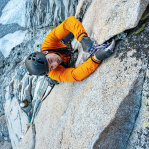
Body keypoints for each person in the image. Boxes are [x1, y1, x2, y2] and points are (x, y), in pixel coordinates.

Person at [25, 16, 115, 82]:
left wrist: (83, 39)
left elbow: (68, 22)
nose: (56, 64)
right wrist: (96, 58)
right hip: (66, 58)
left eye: (50, 60)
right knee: (56, 79)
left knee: (75, 24)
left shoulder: (48, 43)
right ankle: (51, 81)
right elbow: (75, 75)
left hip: (65, 46)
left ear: (45, 52)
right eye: (51, 67)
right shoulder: (53, 73)